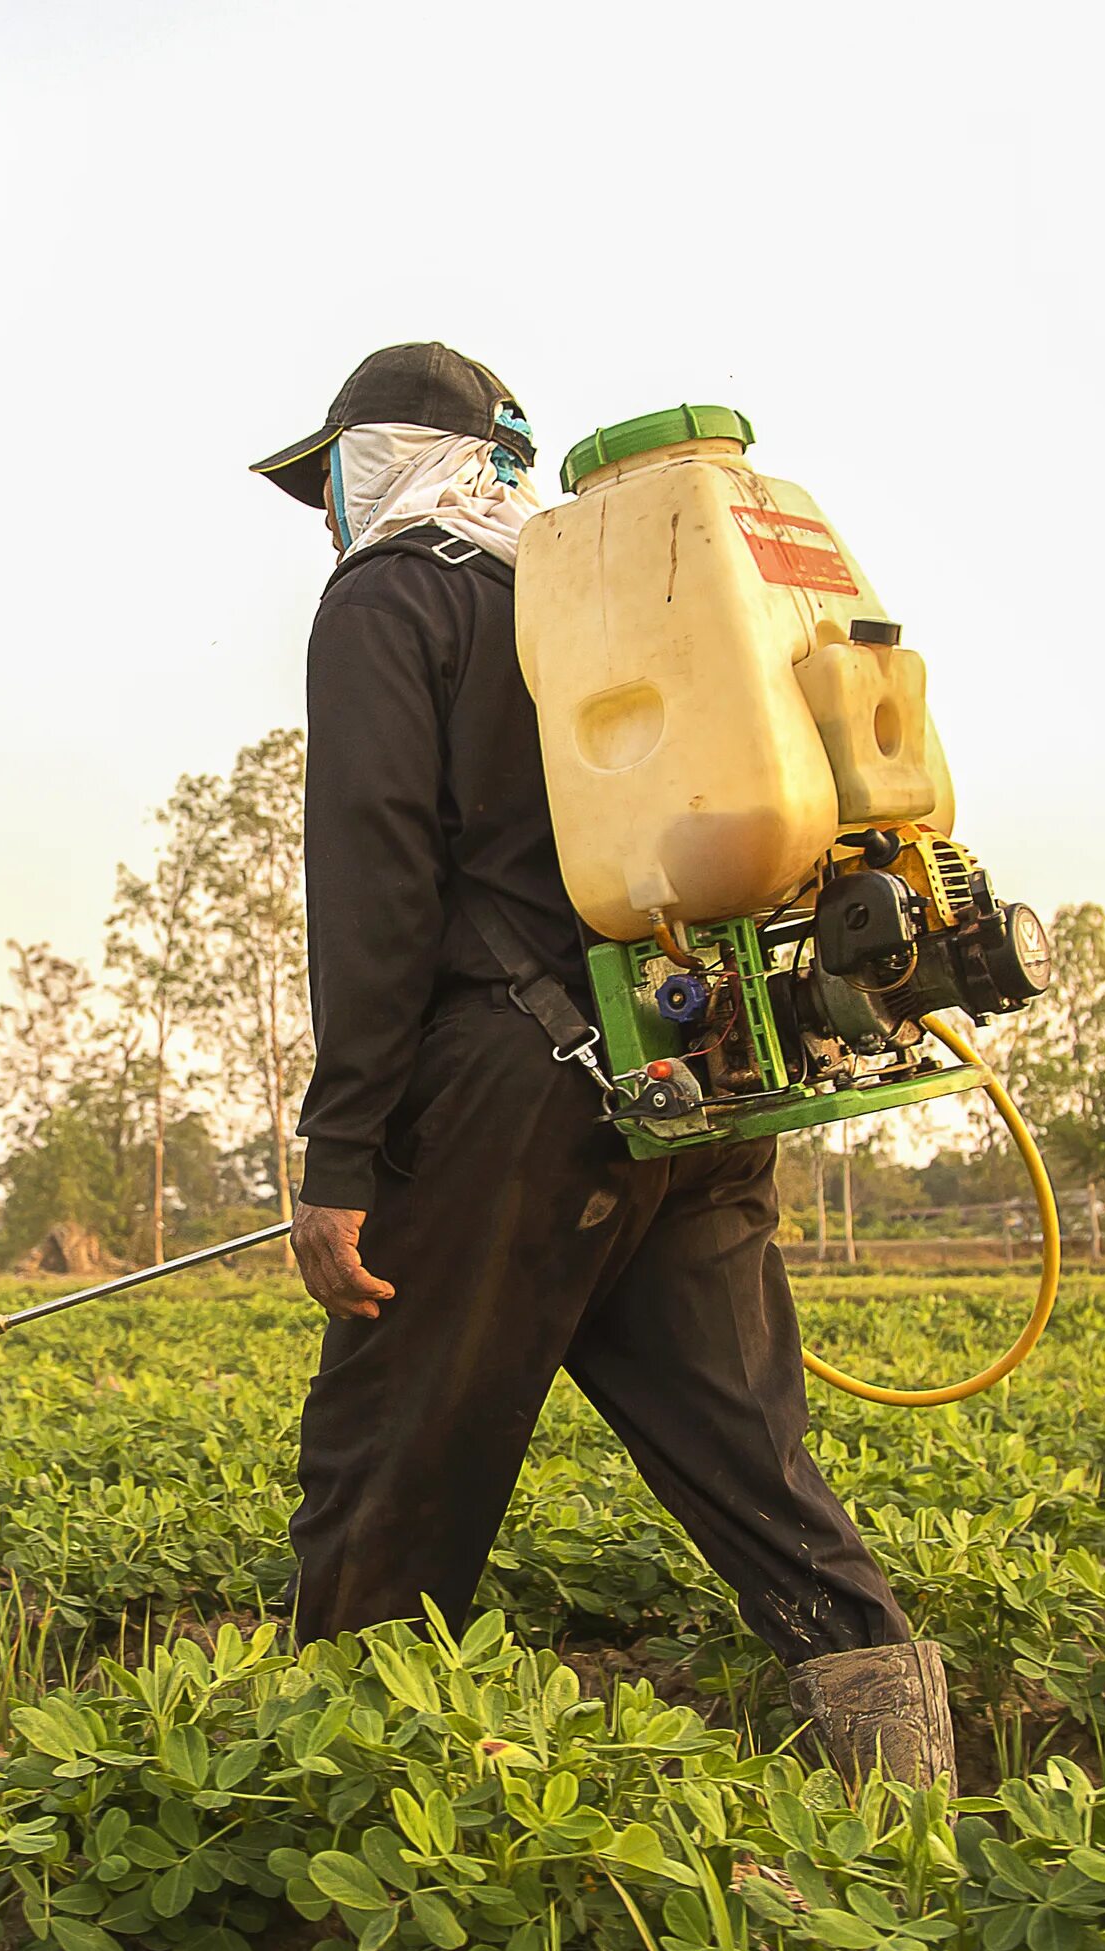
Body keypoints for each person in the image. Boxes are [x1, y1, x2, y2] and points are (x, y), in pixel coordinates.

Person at [248, 342, 954, 1785]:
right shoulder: (611, 606)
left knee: (385, 1472)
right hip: (694, 1077)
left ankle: (328, 1821)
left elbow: (375, 889)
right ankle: (914, 1812)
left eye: (326, 481)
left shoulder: (394, 595)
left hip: (509, 1098)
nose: (322, 515)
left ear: (374, 464)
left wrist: (342, 1161)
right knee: (755, 1469)